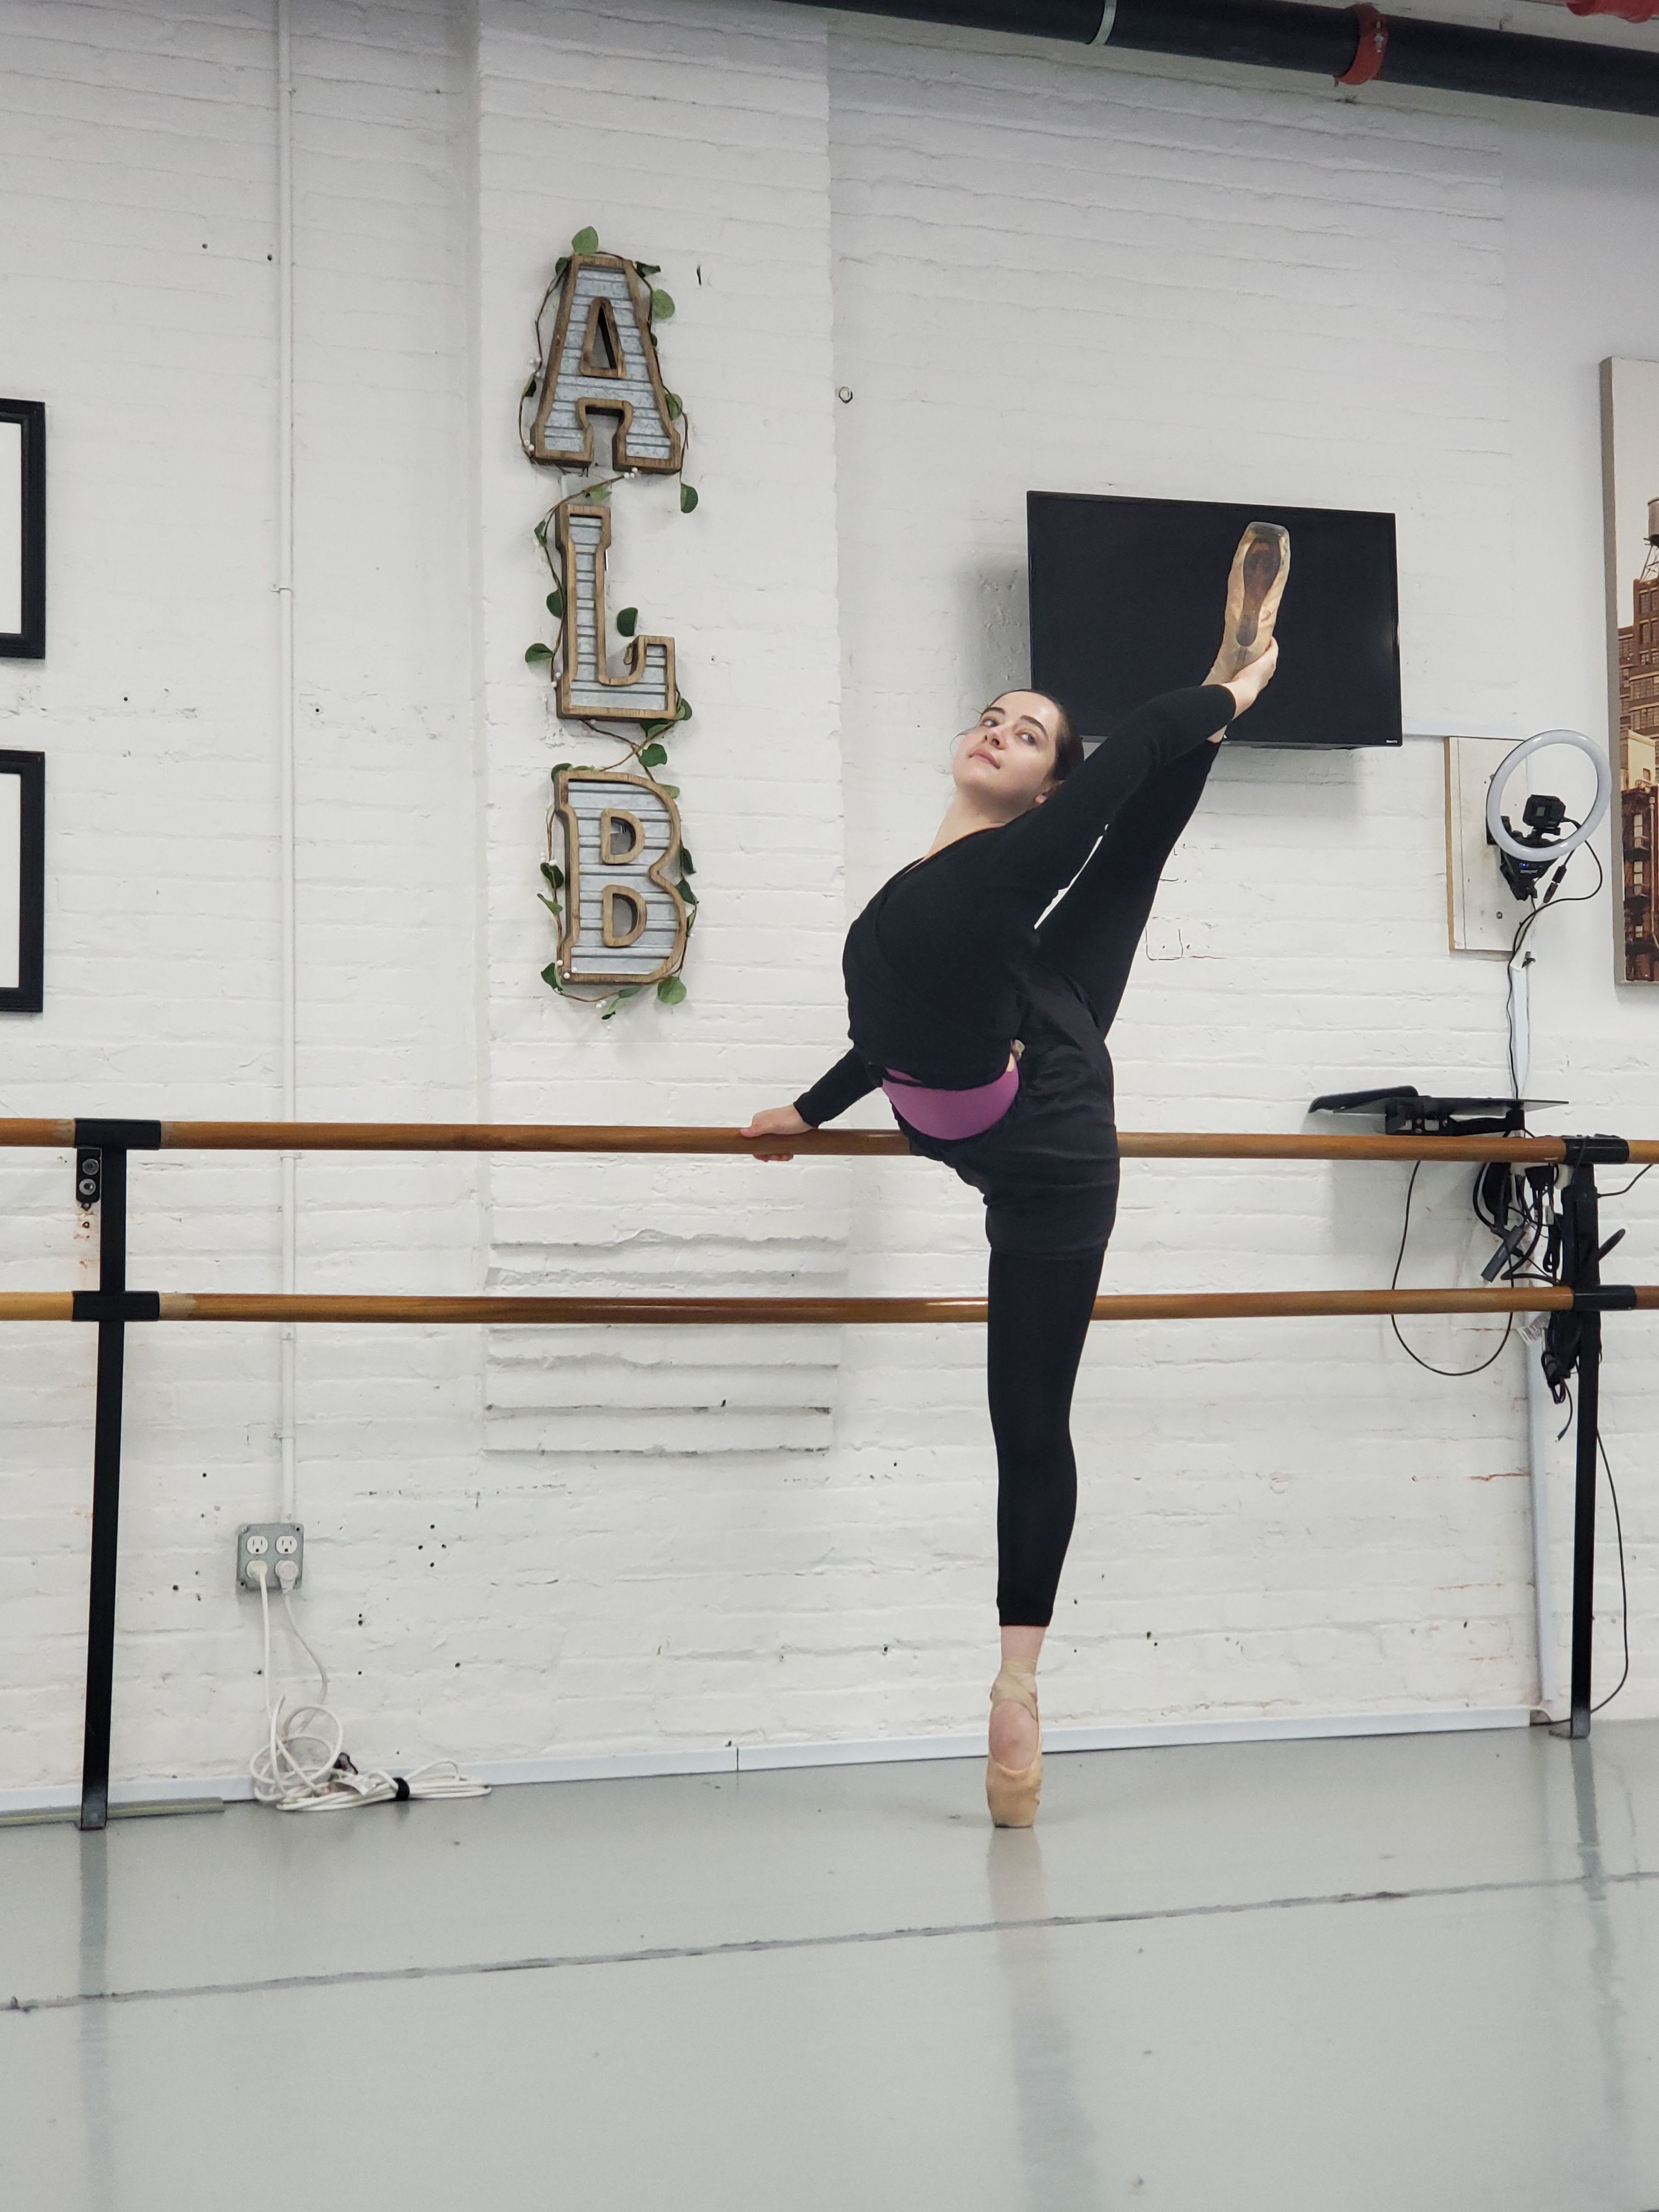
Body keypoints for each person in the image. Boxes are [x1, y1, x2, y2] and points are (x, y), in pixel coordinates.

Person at [742, 527, 1286, 1826]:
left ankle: (1018, 1683)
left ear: (1047, 790)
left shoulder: (1010, 861)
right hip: (1011, 1039)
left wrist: (1227, 694)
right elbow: (901, 1017)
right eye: (992, 715)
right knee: (1105, 888)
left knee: (1027, 1424)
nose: (1000, 729)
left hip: (1047, 1138)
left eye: (1030, 732)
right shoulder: (943, 891)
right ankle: (1224, 701)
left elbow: (1142, 737)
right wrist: (811, 1113)